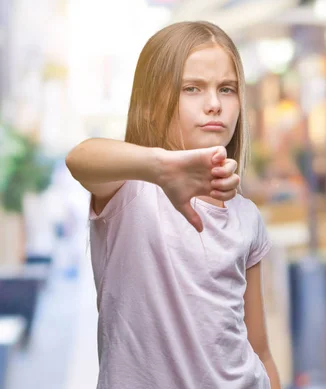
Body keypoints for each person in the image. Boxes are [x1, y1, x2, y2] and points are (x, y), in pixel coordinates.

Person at [66, 21, 280, 389]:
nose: (214, 104)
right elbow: (79, 158)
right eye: (192, 88)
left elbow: (259, 349)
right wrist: (161, 167)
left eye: (226, 89)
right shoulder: (132, 189)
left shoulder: (247, 216)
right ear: (151, 106)